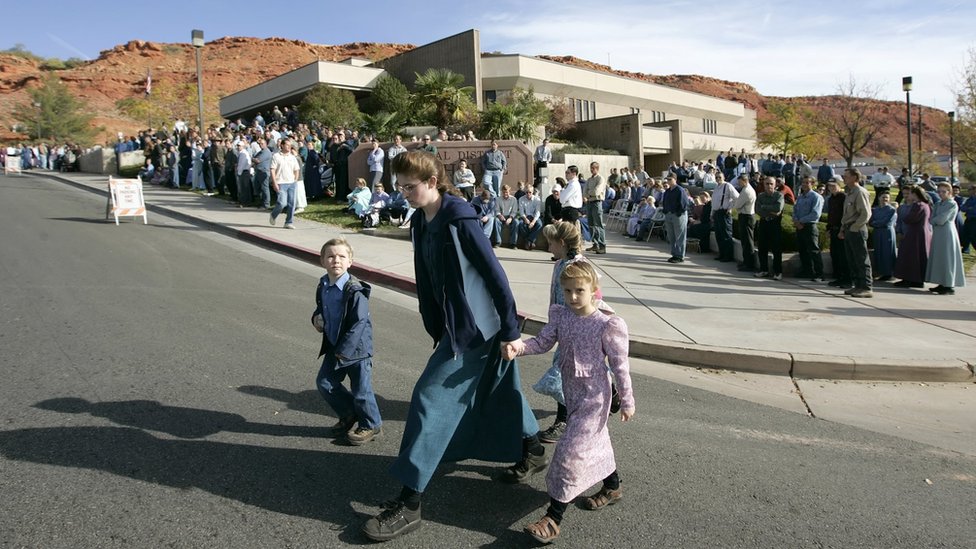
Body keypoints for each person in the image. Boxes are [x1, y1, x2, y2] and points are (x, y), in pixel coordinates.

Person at [362, 151, 544, 542]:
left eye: (411, 186)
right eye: (400, 186)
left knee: (430, 397)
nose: (404, 193)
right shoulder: (421, 222)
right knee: (499, 390)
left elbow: (496, 276)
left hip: (479, 329)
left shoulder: (460, 221)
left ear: (432, 181)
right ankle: (533, 445)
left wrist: (511, 330)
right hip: (457, 326)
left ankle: (410, 502)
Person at [511, 260, 635, 545]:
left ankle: (553, 518)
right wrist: (518, 346)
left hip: (595, 399)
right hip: (572, 396)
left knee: (570, 453)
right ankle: (613, 487)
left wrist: (626, 400)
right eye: (567, 291)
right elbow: (542, 343)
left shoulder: (607, 324)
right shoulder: (561, 316)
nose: (573, 297)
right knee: (595, 444)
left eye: (579, 290)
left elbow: (620, 366)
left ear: (594, 290)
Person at [312, 238, 382, 445]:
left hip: (356, 350)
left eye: (342, 256)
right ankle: (349, 413)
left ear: (350, 261)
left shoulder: (354, 290)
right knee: (325, 382)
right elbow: (321, 309)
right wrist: (315, 319)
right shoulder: (323, 285)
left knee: (362, 390)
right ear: (322, 261)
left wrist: (345, 350)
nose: (336, 260)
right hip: (336, 346)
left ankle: (371, 425)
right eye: (331, 256)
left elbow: (359, 323)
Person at [925, 183, 967, 295]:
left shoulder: (952, 204)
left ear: (949, 192)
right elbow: (931, 218)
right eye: (939, 191)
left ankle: (949, 284)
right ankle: (941, 282)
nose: (941, 194)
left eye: (944, 191)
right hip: (938, 233)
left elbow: (942, 219)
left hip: (947, 233)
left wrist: (935, 220)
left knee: (948, 258)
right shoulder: (938, 204)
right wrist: (935, 220)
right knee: (940, 257)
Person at [839, 168, 873, 298]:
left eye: (846, 176)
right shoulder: (850, 193)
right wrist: (843, 228)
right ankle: (858, 285)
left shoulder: (860, 192)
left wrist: (854, 227)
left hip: (857, 230)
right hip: (849, 228)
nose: (844, 178)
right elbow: (847, 214)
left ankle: (866, 287)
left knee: (861, 259)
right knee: (852, 259)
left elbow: (865, 213)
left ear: (854, 177)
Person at [893, 187, 932, 289]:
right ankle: (917, 280)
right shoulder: (926, 205)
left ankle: (908, 278)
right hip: (922, 232)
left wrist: (905, 217)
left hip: (914, 233)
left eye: (910, 193)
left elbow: (909, 218)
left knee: (910, 256)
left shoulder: (918, 205)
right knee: (919, 256)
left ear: (915, 194)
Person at [792, 176, 825, 281]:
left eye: (807, 182)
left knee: (813, 250)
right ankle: (807, 270)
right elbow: (795, 210)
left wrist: (801, 221)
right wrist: (796, 221)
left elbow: (815, 214)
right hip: (799, 226)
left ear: (812, 184)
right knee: (803, 250)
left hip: (810, 226)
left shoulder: (816, 197)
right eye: (803, 182)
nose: (804, 184)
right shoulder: (800, 197)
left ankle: (819, 273)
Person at [754, 177, 785, 280]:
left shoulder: (779, 195)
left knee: (776, 249)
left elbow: (778, 209)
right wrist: (769, 209)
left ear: (775, 184)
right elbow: (758, 210)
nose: (769, 186)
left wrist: (765, 207)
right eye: (767, 184)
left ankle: (778, 272)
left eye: (771, 184)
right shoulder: (760, 196)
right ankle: (764, 270)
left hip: (775, 224)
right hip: (763, 223)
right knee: (762, 248)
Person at [269, 139, 301, 229]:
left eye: (290, 145)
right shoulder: (276, 156)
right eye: (287, 144)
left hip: (291, 183)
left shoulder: (292, 157)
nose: (289, 147)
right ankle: (273, 215)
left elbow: (296, 169)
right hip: (281, 183)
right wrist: (274, 183)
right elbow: (272, 169)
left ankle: (288, 222)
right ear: (282, 145)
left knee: (292, 203)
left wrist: (295, 179)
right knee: (282, 203)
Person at [825, 177, 851, 288]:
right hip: (833, 229)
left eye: (834, 185)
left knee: (843, 256)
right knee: (835, 255)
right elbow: (831, 216)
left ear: (840, 186)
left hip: (842, 230)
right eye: (830, 186)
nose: (832, 188)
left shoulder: (844, 198)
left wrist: (843, 229)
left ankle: (847, 279)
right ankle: (838, 277)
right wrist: (828, 229)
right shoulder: (831, 199)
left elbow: (846, 215)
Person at [661, 176, 692, 263]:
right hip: (669, 214)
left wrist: (679, 213)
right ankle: (674, 254)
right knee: (671, 236)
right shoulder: (667, 191)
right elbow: (664, 202)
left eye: (670, 179)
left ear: (675, 179)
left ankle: (680, 256)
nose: (668, 181)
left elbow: (685, 203)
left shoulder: (680, 190)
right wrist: (665, 211)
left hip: (678, 215)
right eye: (667, 180)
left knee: (680, 236)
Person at [869, 192, 897, 281]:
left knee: (887, 252)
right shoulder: (875, 209)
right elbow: (870, 221)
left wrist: (875, 223)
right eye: (883, 197)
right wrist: (875, 223)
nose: (885, 199)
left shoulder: (891, 210)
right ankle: (880, 272)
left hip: (887, 233)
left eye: (887, 198)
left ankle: (889, 273)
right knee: (879, 252)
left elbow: (886, 222)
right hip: (877, 233)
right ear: (879, 198)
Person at [732, 174, 757, 271]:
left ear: (744, 181)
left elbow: (738, 205)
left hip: (746, 216)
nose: (738, 184)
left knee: (748, 241)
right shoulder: (745, 189)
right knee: (744, 241)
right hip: (745, 216)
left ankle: (749, 264)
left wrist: (736, 204)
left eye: (740, 182)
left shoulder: (747, 191)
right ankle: (746, 261)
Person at [711, 173, 739, 262]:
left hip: (724, 213)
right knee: (718, 235)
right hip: (716, 213)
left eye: (720, 177)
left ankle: (728, 256)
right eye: (716, 177)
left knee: (726, 235)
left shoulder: (728, 186)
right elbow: (714, 202)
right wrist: (712, 214)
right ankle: (721, 254)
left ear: (724, 177)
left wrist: (730, 208)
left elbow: (737, 197)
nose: (718, 178)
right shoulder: (716, 187)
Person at [584, 162, 607, 254]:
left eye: (593, 168)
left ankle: (602, 245)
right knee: (591, 224)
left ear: (597, 168)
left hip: (597, 202)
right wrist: (588, 194)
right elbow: (584, 191)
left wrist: (589, 193)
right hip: (589, 202)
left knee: (598, 224)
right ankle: (595, 243)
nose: (591, 170)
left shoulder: (600, 179)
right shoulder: (589, 179)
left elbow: (597, 191)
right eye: (591, 168)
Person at [517, 185, 543, 250]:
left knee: (539, 224)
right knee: (520, 224)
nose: (528, 194)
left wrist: (533, 222)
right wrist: (525, 219)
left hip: (534, 217)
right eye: (526, 192)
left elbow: (538, 212)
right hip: (525, 216)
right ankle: (530, 242)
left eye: (530, 192)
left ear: (533, 192)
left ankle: (528, 241)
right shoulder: (521, 199)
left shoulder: (537, 200)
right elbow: (521, 211)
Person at [493, 184, 520, 249]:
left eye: (507, 192)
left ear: (509, 192)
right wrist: (499, 215)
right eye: (504, 192)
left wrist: (510, 218)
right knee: (496, 221)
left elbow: (514, 211)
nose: (505, 194)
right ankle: (498, 242)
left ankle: (513, 243)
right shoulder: (498, 199)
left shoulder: (514, 199)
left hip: (510, 216)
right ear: (502, 192)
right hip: (501, 216)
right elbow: (496, 210)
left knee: (516, 222)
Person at [960, 185, 976, 255]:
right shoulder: (969, 199)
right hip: (968, 219)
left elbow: (974, 210)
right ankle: (965, 250)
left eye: (969, 189)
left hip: (974, 220)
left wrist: (968, 208)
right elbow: (962, 208)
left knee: (973, 236)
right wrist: (969, 208)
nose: (968, 191)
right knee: (965, 234)